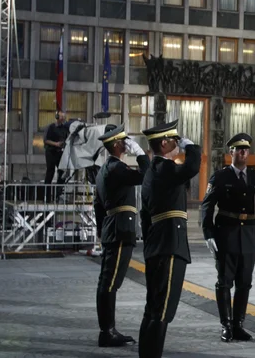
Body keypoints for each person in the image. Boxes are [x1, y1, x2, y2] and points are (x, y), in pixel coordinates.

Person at [138, 120, 201, 358]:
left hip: (157, 244)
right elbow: (191, 167)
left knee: (153, 308)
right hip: (169, 246)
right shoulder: (163, 169)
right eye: (174, 140)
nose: (177, 144)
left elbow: (145, 217)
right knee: (162, 311)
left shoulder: (152, 172)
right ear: (164, 143)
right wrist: (191, 146)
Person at [201, 133, 255, 342]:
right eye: (238, 149)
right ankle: (226, 325)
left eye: (246, 149)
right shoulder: (220, 177)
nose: (242, 153)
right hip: (226, 234)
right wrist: (208, 233)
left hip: (249, 235)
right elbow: (207, 206)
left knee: (245, 283)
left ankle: (239, 325)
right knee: (224, 282)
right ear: (231, 152)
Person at [92, 124, 150, 347]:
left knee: (107, 282)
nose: (127, 143)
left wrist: (101, 231)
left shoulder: (105, 170)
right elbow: (146, 176)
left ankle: (108, 330)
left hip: (112, 229)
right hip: (119, 231)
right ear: (117, 144)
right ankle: (107, 332)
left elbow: (97, 206)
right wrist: (141, 153)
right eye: (124, 141)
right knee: (109, 284)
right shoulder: (116, 168)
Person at [43, 111, 72, 185]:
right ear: (57, 117)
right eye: (61, 116)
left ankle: (58, 190)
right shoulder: (51, 127)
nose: (63, 118)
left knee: (62, 171)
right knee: (50, 171)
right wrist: (56, 144)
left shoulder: (64, 128)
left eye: (64, 117)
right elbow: (46, 140)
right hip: (51, 152)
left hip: (60, 152)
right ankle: (47, 190)